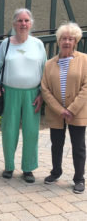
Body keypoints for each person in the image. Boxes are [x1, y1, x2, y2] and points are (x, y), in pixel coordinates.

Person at [0, 8, 47, 183]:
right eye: (20, 20)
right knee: (9, 131)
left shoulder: (38, 44)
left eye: (26, 20)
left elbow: (45, 71)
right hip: (10, 93)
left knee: (31, 132)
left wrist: (42, 93)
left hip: (33, 93)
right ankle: (9, 166)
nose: (23, 24)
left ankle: (28, 168)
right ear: (14, 24)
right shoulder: (5, 44)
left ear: (31, 24)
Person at [41, 22, 87, 194]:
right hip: (56, 113)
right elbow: (44, 89)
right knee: (56, 144)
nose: (67, 42)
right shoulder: (49, 64)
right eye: (63, 39)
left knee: (78, 146)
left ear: (75, 42)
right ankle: (56, 171)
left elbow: (86, 87)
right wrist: (60, 110)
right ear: (58, 41)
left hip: (78, 111)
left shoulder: (85, 60)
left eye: (70, 39)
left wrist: (72, 109)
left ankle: (79, 179)